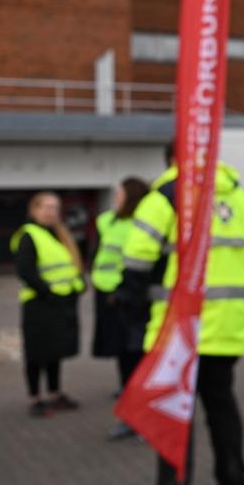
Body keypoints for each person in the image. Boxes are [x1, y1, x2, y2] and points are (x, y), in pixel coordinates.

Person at [118, 148, 244, 485]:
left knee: (174, 417)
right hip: (229, 326)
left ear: (171, 159)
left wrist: (131, 316)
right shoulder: (240, 195)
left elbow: (135, 263)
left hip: (181, 328)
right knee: (221, 407)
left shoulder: (165, 195)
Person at [11, 191, 85, 418]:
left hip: (61, 302)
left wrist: (78, 284)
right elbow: (25, 271)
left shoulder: (59, 234)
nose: (51, 211)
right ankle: (36, 398)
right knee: (36, 354)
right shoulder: (29, 235)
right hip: (39, 304)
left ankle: (55, 393)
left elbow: (69, 266)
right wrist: (48, 292)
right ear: (34, 210)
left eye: (55, 207)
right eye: (46, 207)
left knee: (55, 351)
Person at [91, 176, 150, 439]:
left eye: (120, 193)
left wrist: (123, 293)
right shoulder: (110, 222)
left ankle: (142, 420)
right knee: (124, 359)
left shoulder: (141, 226)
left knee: (136, 359)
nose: (115, 197)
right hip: (109, 297)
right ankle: (130, 416)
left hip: (130, 300)